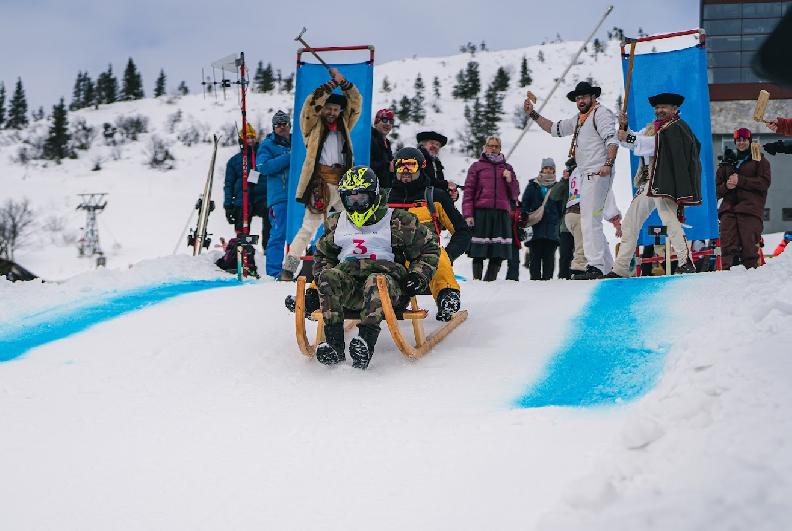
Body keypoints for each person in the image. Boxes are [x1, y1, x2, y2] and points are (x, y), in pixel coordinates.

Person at [313, 165, 440, 369]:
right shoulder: (337, 223)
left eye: (361, 198)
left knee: (376, 281)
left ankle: (365, 341)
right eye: (350, 199)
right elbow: (323, 255)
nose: (356, 205)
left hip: (388, 289)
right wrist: (320, 285)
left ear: (373, 195)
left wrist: (418, 276)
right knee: (328, 276)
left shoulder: (398, 221)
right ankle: (334, 345)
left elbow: (429, 248)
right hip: (351, 288)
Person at [524, 81, 619, 279]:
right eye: (577, 98)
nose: (580, 101)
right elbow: (554, 128)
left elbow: (612, 139)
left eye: (584, 97)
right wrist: (533, 114)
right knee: (590, 220)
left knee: (589, 220)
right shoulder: (579, 119)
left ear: (593, 97)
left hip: (598, 173)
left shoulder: (601, 114)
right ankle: (607, 266)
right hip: (586, 176)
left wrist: (608, 163)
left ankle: (596, 266)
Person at [606, 93, 702, 278]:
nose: (659, 110)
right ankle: (620, 268)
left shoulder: (676, 127)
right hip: (649, 182)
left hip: (665, 181)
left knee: (669, 219)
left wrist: (629, 138)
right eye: (657, 108)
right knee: (630, 223)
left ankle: (685, 261)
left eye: (664, 107)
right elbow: (632, 141)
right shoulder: (653, 128)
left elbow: (654, 145)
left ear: (674, 109)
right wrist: (624, 127)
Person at [279, 67, 362, 281]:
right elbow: (310, 105)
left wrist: (344, 83)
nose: (333, 112)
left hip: (344, 185)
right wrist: (331, 85)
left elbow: (356, 102)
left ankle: (354, 266)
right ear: (323, 108)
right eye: (329, 108)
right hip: (320, 185)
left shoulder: (345, 125)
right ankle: (288, 269)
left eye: (336, 109)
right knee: (308, 228)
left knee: (354, 225)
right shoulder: (311, 126)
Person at [389, 147, 470, 321]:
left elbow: (462, 231)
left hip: (425, 257)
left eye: (411, 165)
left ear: (421, 166)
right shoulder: (385, 198)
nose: (405, 171)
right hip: (393, 257)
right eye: (400, 166)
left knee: (438, 256)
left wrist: (449, 255)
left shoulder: (435, 197)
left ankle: (447, 296)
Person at [463, 136, 521, 281]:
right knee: (478, 250)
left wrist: (510, 180)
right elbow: (469, 191)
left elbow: (515, 194)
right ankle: (477, 281)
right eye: (490, 146)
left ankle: (490, 281)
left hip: (501, 213)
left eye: (496, 146)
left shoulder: (507, 168)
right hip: (481, 212)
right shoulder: (477, 166)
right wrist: (468, 214)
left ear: (500, 148)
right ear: (485, 147)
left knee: (498, 251)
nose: (493, 149)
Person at [715, 127, 771, 270]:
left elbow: (764, 183)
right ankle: (727, 275)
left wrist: (741, 180)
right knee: (727, 246)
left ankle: (751, 276)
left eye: (744, 139)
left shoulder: (759, 161)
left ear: (749, 141)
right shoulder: (727, 163)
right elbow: (715, 189)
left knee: (749, 247)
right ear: (735, 142)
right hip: (728, 209)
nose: (741, 142)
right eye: (738, 140)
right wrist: (726, 186)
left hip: (750, 209)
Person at [255, 110, 291, 278]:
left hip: (300, 197)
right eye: (278, 125)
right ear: (273, 127)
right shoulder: (267, 145)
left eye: (284, 124)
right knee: (278, 234)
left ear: (289, 125)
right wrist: (288, 157)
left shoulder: (298, 143)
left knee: (299, 236)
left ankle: (292, 269)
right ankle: (274, 272)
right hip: (279, 198)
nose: (281, 127)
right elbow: (263, 167)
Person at [223, 123, 270, 247]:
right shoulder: (234, 161)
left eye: (252, 137)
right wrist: (228, 205)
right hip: (242, 199)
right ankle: (244, 247)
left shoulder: (263, 157)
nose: (250, 140)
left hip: (262, 197)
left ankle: (268, 248)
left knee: (270, 213)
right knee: (241, 220)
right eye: (247, 138)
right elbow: (228, 184)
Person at [521, 158, 563, 280]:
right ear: (542, 169)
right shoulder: (533, 185)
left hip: (552, 227)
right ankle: (535, 281)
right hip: (535, 225)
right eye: (546, 168)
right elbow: (525, 203)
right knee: (535, 255)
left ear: (554, 170)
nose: (548, 170)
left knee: (549, 257)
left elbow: (561, 207)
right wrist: (524, 216)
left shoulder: (557, 187)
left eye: (551, 168)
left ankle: (547, 281)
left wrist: (558, 221)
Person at [552, 158, 575, 279]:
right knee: (565, 254)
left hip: (583, 223)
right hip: (566, 225)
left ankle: (578, 275)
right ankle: (563, 277)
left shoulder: (584, 179)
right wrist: (564, 180)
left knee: (580, 253)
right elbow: (554, 196)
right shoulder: (566, 183)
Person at [370, 108, 395, 189]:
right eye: (384, 120)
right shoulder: (370, 139)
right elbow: (366, 164)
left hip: (384, 188)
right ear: (376, 123)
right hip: (371, 188)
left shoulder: (387, 143)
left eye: (391, 121)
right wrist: (388, 165)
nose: (388, 124)